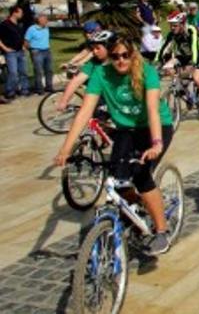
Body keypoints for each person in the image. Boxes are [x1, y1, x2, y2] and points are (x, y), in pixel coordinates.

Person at [53, 37, 175, 256]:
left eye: (125, 55)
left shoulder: (147, 72)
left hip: (155, 127)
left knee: (140, 173)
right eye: (115, 56)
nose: (120, 61)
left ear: (133, 54)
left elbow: (152, 109)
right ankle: (138, 205)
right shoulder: (101, 74)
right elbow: (85, 112)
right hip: (126, 130)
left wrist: (156, 143)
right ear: (109, 56)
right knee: (117, 179)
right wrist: (66, 149)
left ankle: (162, 231)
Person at [158, 11, 199, 103]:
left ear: (182, 24)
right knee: (169, 67)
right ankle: (184, 89)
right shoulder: (172, 34)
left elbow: (194, 46)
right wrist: (158, 61)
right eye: (171, 25)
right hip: (185, 55)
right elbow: (163, 48)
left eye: (175, 25)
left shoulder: (190, 30)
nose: (172, 28)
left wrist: (194, 62)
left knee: (196, 77)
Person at [57, 30, 116, 111]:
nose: (94, 51)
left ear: (109, 48)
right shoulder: (94, 62)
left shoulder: (120, 62)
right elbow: (76, 81)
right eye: (93, 48)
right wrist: (64, 101)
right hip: (102, 99)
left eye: (98, 48)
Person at [0, 5, 29, 99]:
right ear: (14, 12)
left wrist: (24, 46)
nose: (22, 14)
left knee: (23, 72)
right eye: (20, 12)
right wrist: (5, 48)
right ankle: (9, 91)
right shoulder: (4, 24)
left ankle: (24, 90)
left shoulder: (19, 24)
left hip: (20, 51)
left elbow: (22, 37)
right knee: (13, 72)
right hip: (11, 52)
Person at [23, 12, 53, 95]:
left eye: (46, 19)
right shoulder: (31, 29)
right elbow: (26, 41)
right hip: (37, 51)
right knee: (38, 71)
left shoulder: (46, 28)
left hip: (47, 50)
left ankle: (49, 87)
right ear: (39, 20)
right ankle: (39, 89)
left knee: (49, 70)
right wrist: (31, 49)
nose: (46, 21)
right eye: (45, 19)